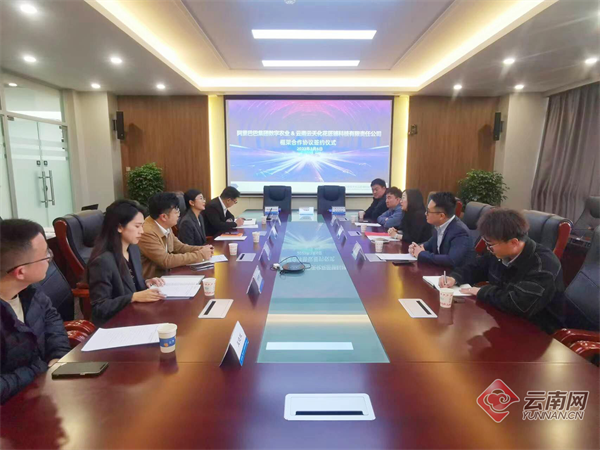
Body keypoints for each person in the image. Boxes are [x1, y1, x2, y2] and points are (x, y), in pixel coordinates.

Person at [440, 209, 565, 333]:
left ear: (514, 242)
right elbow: (476, 267)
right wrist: (455, 277)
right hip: (504, 318)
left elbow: (519, 304)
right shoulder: (501, 252)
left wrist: (481, 291)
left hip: (536, 330)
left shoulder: (544, 265)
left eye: (490, 245)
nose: (488, 249)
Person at [0, 219, 70, 404]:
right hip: (12, 410)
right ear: (20, 272)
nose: (49, 259)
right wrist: (38, 369)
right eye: (45, 254)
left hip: (41, 392)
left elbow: (52, 320)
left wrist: (57, 356)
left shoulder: (30, 290)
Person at [87, 200, 166, 325]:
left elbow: (130, 285)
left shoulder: (133, 249)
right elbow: (100, 307)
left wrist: (146, 283)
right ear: (119, 227)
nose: (142, 231)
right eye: (137, 226)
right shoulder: (102, 261)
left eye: (142, 226)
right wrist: (134, 297)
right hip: (116, 324)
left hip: (135, 315)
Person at [138, 192, 213, 279]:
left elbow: (180, 247)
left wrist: (202, 249)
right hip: (153, 281)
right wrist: (199, 255)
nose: (179, 214)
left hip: (166, 275)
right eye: (176, 211)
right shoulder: (147, 232)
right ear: (164, 217)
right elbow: (166, 260)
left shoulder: (165, 224)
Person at [409, 191, 473, 267]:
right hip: (440, 271)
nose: (425, 213)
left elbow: (451, 260)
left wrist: (421, 254)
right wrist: (416, 248)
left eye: (428, 211)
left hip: (456, 273)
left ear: (441, 216)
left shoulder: (460, 232)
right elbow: (430, 244)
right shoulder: (439, 225)